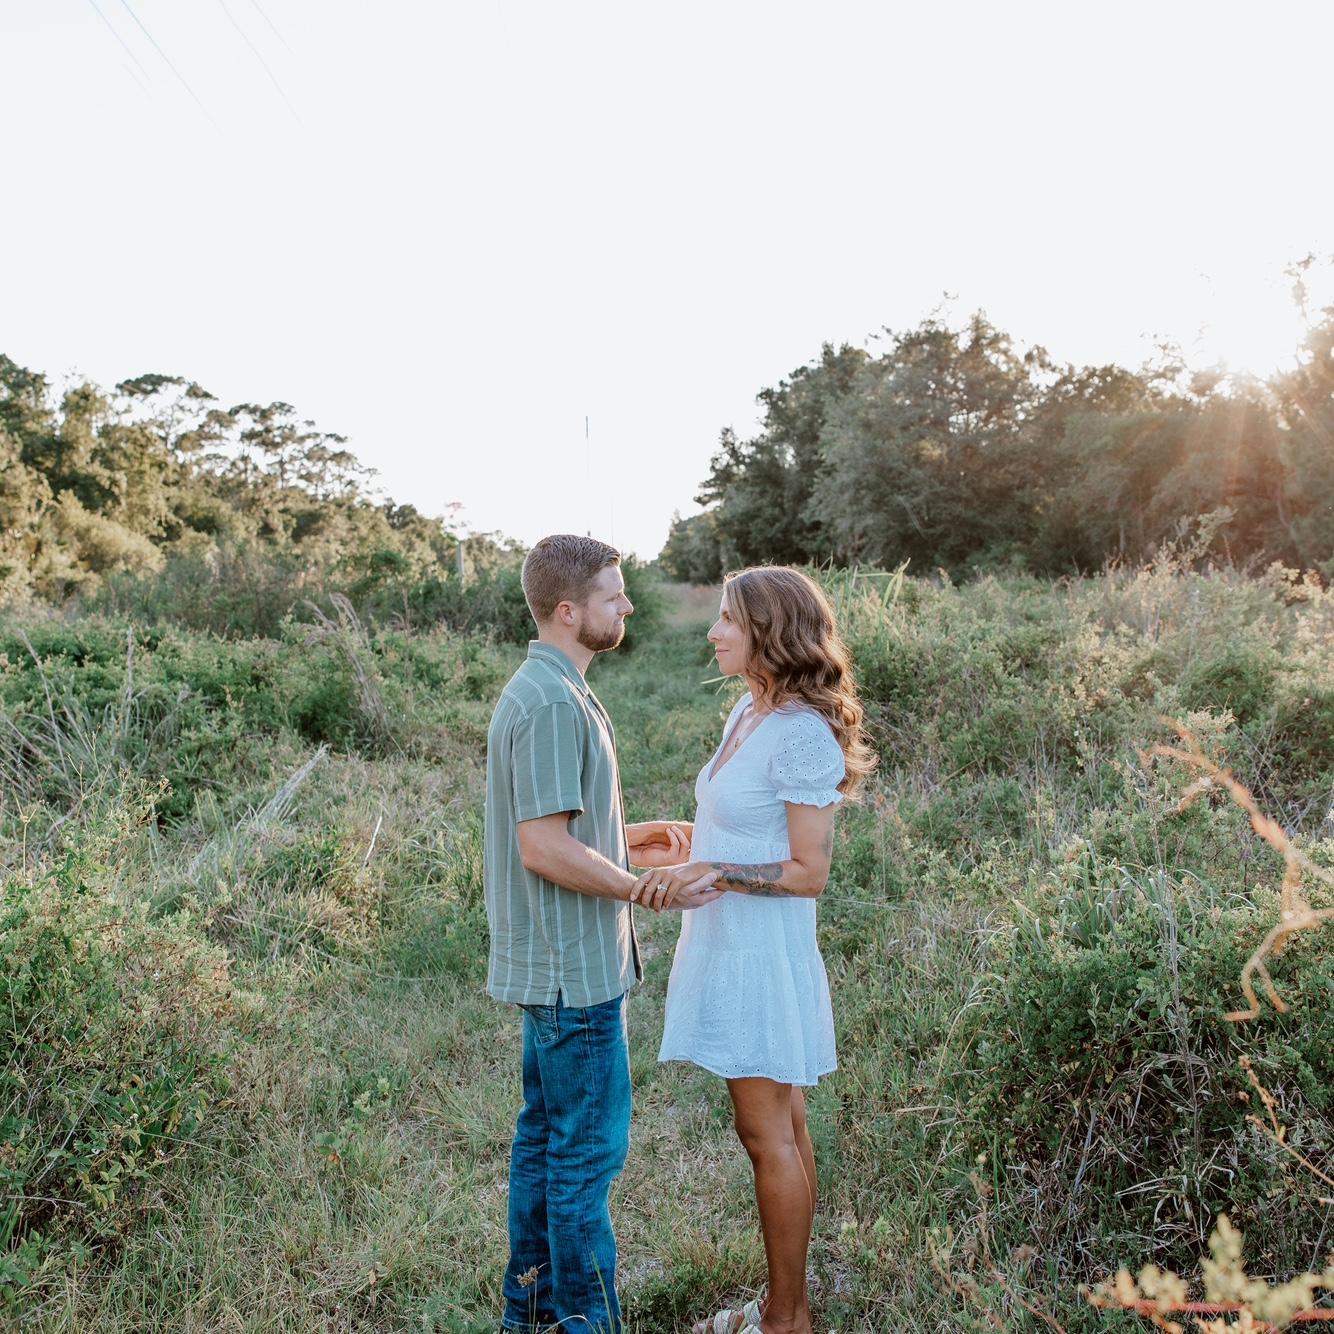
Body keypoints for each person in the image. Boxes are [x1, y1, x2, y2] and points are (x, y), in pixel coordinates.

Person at [483, 534, 720, 1334]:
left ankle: (532, 1317)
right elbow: (542, 847)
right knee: (583, 1160)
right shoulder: (553, 701)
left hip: (556, 962)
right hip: (573, 968)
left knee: (547, 1146)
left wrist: (629, 837)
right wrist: (638, 887)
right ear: (567, 610)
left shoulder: (550, 687)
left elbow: (557, 825)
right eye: (614, 597)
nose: (628, 606)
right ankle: (587, 1323)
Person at [630, 566, 876, 1334]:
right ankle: (783, 1306)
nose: (713, 632)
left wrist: (715, 871)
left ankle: (786, 1321)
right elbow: (748, 825)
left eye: (729, 620)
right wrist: (688, 840)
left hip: (761, 956)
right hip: (729, 941)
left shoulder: (801, 731)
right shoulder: (750, 709)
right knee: (784, 1125)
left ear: (770, 632)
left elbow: (808, 871)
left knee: (765, 1132)